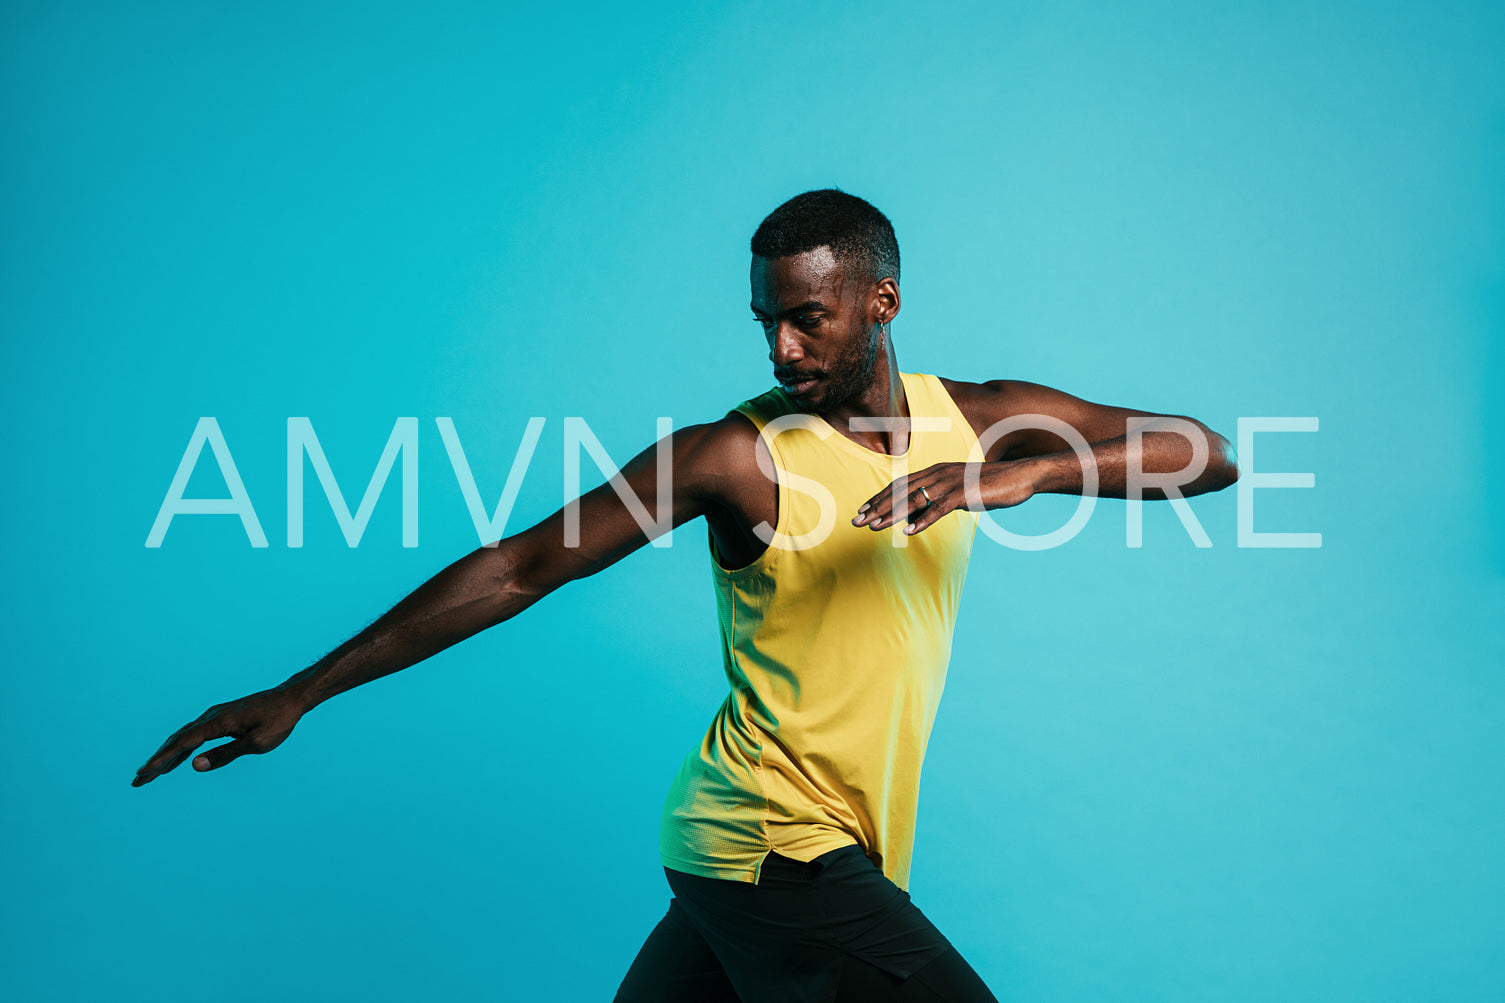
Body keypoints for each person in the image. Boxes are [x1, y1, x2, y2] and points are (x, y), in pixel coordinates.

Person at [132, 189, 1239, 1001]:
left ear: (881, 301)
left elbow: (1205, 452)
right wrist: (301, 689)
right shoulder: (732, 456)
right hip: (772, 836)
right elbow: (523, 565)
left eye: (809, 316)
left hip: (760, 850)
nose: (782, 343)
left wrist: (1033, 471)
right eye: (766, 318)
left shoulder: (978, 417)